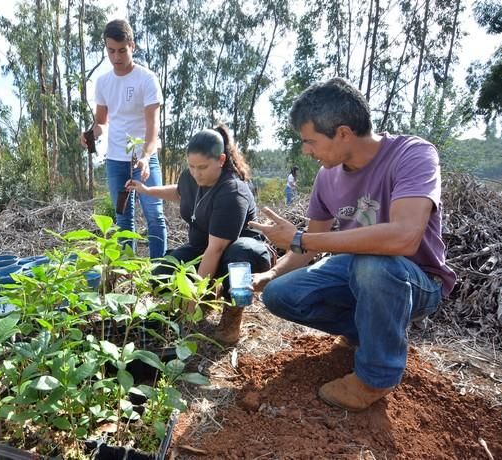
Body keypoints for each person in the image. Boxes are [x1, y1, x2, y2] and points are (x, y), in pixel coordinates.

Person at [250, 78, 456, 411]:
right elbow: (309, 248)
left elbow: (405, 236)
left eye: (310, 141)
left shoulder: (413, 154)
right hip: (358, 269)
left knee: (373, 265)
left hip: (417, 279)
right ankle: (368, 332)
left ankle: (375, 378)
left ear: (343, 133)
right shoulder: (327, 176)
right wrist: (269, 276)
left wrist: (301, 237)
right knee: (280, 295)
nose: (306, 151)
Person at [127, 125, 272, 345]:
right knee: (160, 274)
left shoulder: (231, 191)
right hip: (202, 249)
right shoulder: (192, 177)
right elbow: (179, 191)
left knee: (240, 255)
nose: (196, 173)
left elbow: (216, 249)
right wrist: (147, 191)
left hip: (238, 254)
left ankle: (232, 317)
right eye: (191, 167)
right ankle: (204, 301)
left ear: (221, 160)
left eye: (202, 167)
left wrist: (193, 298)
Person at [80, 19, 167, 258]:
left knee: (154, 214)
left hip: (143, 160)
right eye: (111, 51)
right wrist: (90, 135)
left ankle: (159, 275)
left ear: (132, 46)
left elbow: (152, 125)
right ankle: (130, 276)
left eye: (121, 50)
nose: (116, 57)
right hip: (116, 161)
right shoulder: (103, 82)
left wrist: (147, 157)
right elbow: (101, 123)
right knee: (123, 219)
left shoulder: (146, 79)